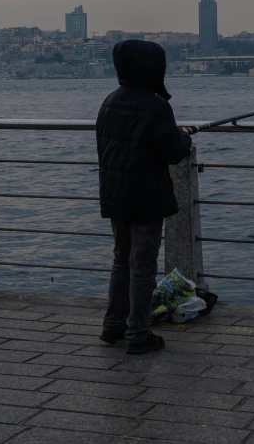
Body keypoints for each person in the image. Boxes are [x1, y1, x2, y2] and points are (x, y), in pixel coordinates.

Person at [96, 40, 192, 355]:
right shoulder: (156, 107)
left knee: (121, 260)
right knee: (143, 265)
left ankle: (113, 326)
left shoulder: (110, 101)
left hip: (115, 193)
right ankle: (138, 334)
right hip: (146, 198)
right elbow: (173, 152)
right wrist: (184, 138)